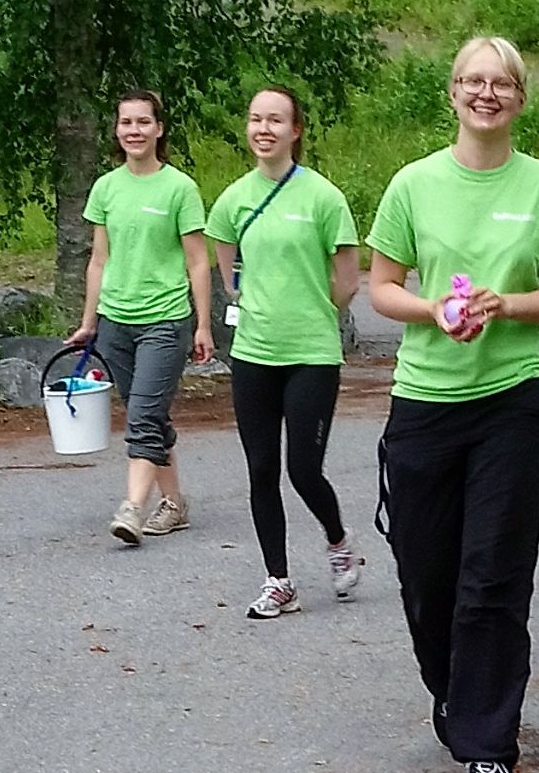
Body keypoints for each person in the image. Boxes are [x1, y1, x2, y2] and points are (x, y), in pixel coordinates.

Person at [368, 37, 539, 773]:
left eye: (500, 83)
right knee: (425, 577)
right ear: (452, 92)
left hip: (509, 404)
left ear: (519, 98)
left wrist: (506, 304)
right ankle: (453, 689)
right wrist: (431, 308)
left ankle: (489, 747)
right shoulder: (413, 183)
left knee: (492, 576)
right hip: (423, 402)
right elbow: (381, 286)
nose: (485, 93)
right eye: (472, 81)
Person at [206, 86, 363, 620]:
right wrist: (251, 302)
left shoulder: (323, 198)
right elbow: (229, 271)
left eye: (276, 120)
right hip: (254, 352)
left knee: (303, 469)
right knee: (260, 469)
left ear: (295, 130)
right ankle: (279, 581)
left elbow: (348, 281)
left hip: (311, 354)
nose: (264, 129)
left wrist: (309, 311)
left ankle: (337, 538)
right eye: (256, 119)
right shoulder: (233, 199)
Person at [66, 89, 213, 546]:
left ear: (159, 129)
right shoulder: (106, 188)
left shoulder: (179, 188)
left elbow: (198, 262)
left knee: (144, 417)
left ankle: (132, 507)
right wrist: (89, 322)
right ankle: (174, 503)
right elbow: (98, 261)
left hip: (165, 321)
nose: (135, 131)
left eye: (143, 122)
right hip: (116, 322)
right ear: (117, 130)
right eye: (126, 122)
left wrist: (202, 324)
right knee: (145, 413)